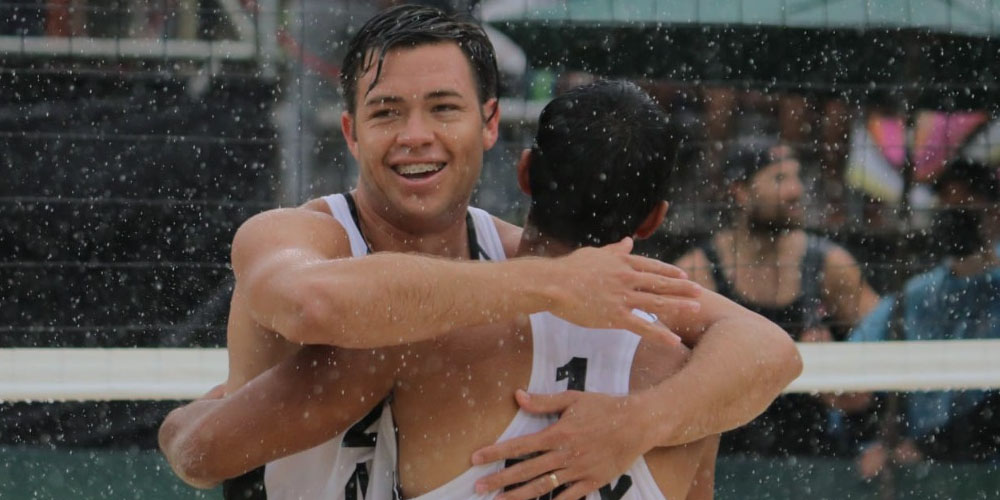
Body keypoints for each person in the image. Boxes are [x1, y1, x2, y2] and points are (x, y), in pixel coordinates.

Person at [162, 5, 801, 498]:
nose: (416, 136)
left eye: (443, 108)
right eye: (387, 113)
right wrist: (546, 286)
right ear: (352, 133)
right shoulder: (293, 235)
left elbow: (767, 348)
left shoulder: (528, 260)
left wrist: (639, 424)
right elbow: (314, 304)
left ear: (490, 124)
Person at [675, 138, 880, 457]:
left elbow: (889, 349)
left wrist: (839, 374)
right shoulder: (697, 273)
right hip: (729, 457)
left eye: (797, 177)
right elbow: (670, 377)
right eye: (779, 179)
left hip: (815, 456)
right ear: (740, 192)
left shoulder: (829, 265)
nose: (795, 191)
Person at [846, 158, 1000, 479]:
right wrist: (879, 440)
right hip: (920, 474)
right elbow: (852, 366)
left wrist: (933, 447)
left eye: (965, 202)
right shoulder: (919, 293)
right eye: (945, 202)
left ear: (994, 212)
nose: (952, 211)